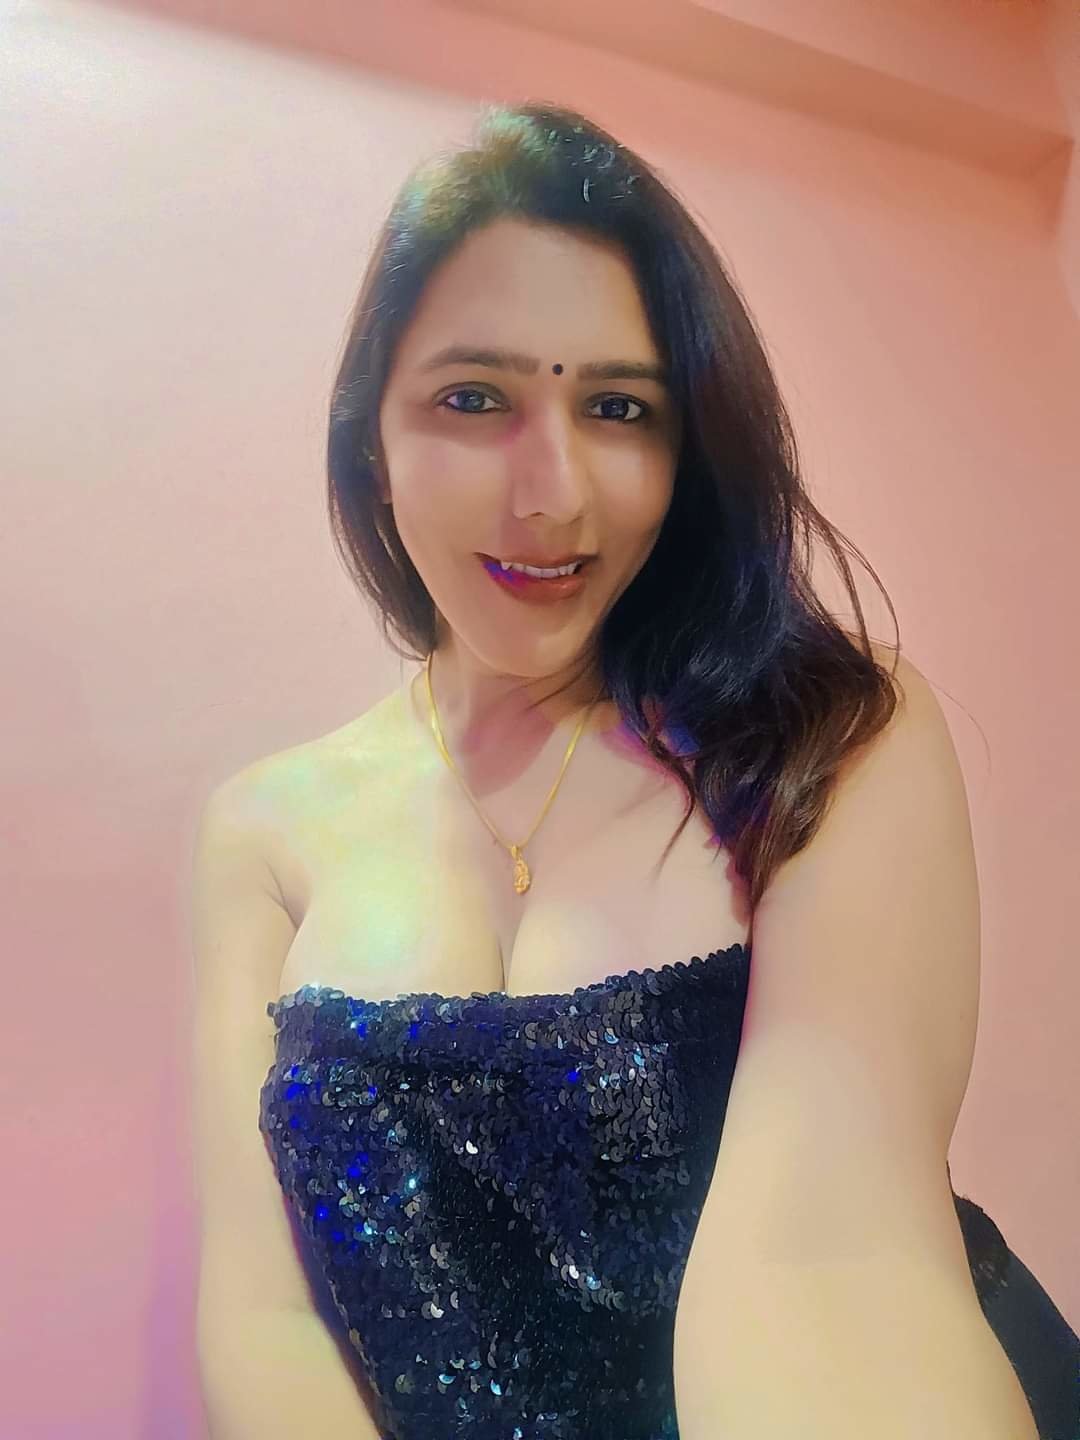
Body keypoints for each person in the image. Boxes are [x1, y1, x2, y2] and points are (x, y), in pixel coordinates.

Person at [191, 103, 1079, 1440]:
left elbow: (835, 1262)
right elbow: (268, 1321)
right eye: (475, 398)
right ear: (372, 436)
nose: (553, 493)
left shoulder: (830, 731)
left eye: (618, 408)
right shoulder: (262, 833)